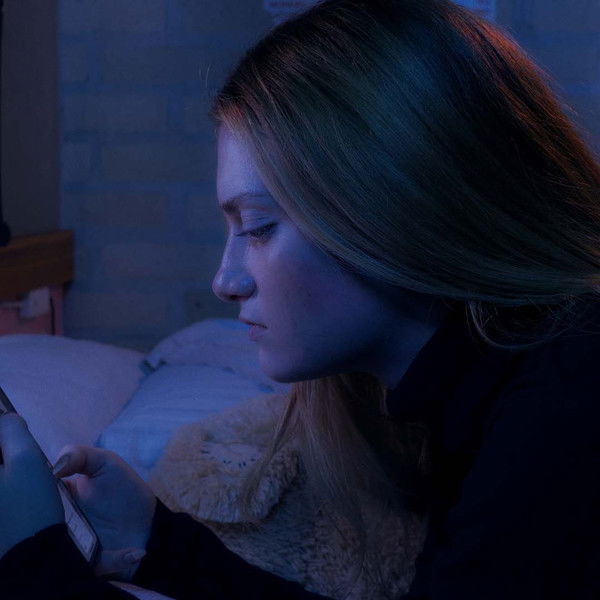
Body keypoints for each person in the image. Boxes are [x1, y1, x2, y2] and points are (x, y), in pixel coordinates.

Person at [1, 0, 599, 598]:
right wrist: (157, 545)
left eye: (259, 227)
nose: (225, 281)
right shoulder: (505, 389)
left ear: (401, 209)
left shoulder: (566, 403)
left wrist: (31, 564)